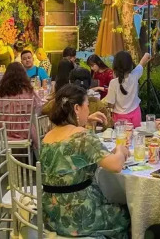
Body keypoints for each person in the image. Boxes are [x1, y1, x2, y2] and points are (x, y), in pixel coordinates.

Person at [40, 84, 130, 237]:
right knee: (127, 213)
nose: (89, 110)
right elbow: (116, 166)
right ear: (77, 108)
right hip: (79, 216)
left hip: (51, 214)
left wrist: (85, 121)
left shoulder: (48, 135)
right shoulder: (82, 136)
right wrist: (121, 150)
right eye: (87, 106)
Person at [0, 63, 43, 147]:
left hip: (4, 130)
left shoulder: (2, 91)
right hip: (24, 130)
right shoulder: (28, 90)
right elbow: (37, 107)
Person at [104, 51, 151, 127]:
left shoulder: (113, 83)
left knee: (122, 134)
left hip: (119, 118)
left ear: (114, 66)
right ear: (130, 65)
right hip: (135, 113)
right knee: (136, 133)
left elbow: (111, 105)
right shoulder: (135, 76)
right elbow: (142, 63)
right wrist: (147, 54)